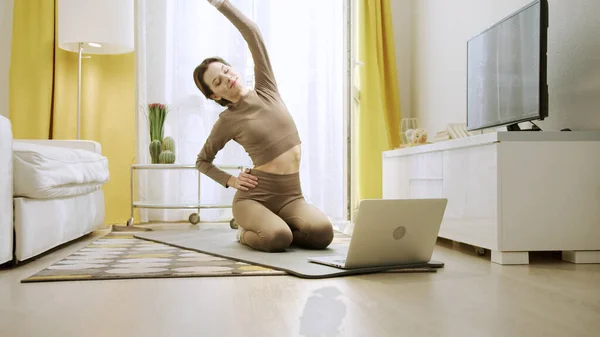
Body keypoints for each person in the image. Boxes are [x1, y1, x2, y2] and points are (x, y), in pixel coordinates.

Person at [193, 0, 334, 253]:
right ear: (215, 95)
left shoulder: (266, 88)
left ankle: (278, 226)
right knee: (276, 238)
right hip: (255, 198)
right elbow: (202, 161)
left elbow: (252, 33)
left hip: (291, 195)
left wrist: (221, 4)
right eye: (218, 82)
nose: (228, 79)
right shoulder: (227, 120)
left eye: (226, 71)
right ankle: (244, 233)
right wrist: (231, 181)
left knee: (323, 234)